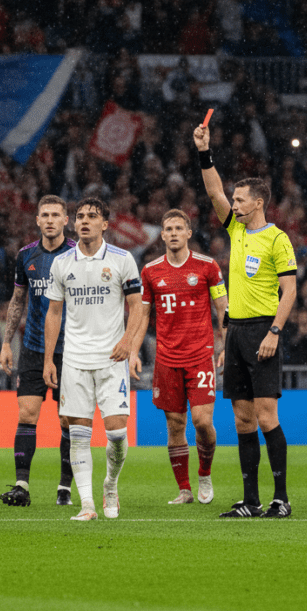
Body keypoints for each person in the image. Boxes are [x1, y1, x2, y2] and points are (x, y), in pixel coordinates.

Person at [194, 123, 297, 519]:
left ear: (257, 203)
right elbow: (213, 191)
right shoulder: (236, 230)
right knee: (241, 418)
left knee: (267, 414)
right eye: (234, 199)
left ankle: (281, 499)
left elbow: (289, 292)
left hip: (262, 330)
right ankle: (251, 500)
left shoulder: (277, 239)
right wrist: (205, 153)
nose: (233, 204)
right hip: (236, 331)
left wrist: (274, 331)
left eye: (240, 200)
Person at [42, 197, 146, 521]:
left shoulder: (122, 259)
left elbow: (138, 305)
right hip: (74, 360)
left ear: (105, 224)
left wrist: (128, 342)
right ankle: (87, 504)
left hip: (112, 359)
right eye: (80, 216)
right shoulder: (61, 264)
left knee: (116, 435)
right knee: (78, 434)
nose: (84, 221)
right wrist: (49, 359)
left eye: (92, 216)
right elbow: (54, 313)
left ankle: (110, 484)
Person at [132, 209, 227, 505]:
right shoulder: (150, 271)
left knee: (201, 422)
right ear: (162, 235)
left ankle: (205, 473)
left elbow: (222, 308)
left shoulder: (207, 266)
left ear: (188, 233)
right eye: (168, 229)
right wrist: (133, 351)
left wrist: (224, 345)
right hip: (166, 358)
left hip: (200, 355)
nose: (173, 233)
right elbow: (143, 314)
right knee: (175, 424)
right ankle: (184, 489)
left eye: (178, 228)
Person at [0, 195, 77, 507]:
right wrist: (6, 342)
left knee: (67, 420)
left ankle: (65, 487)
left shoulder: (77, 255)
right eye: (45, 214)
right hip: (32, 346)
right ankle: (21, 485)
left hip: (69, 350)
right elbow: (18, 300)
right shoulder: (26, 256)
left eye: (56, 215)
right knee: (27, 414)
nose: (50, 220)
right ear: (37, 220)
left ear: (65, 220)